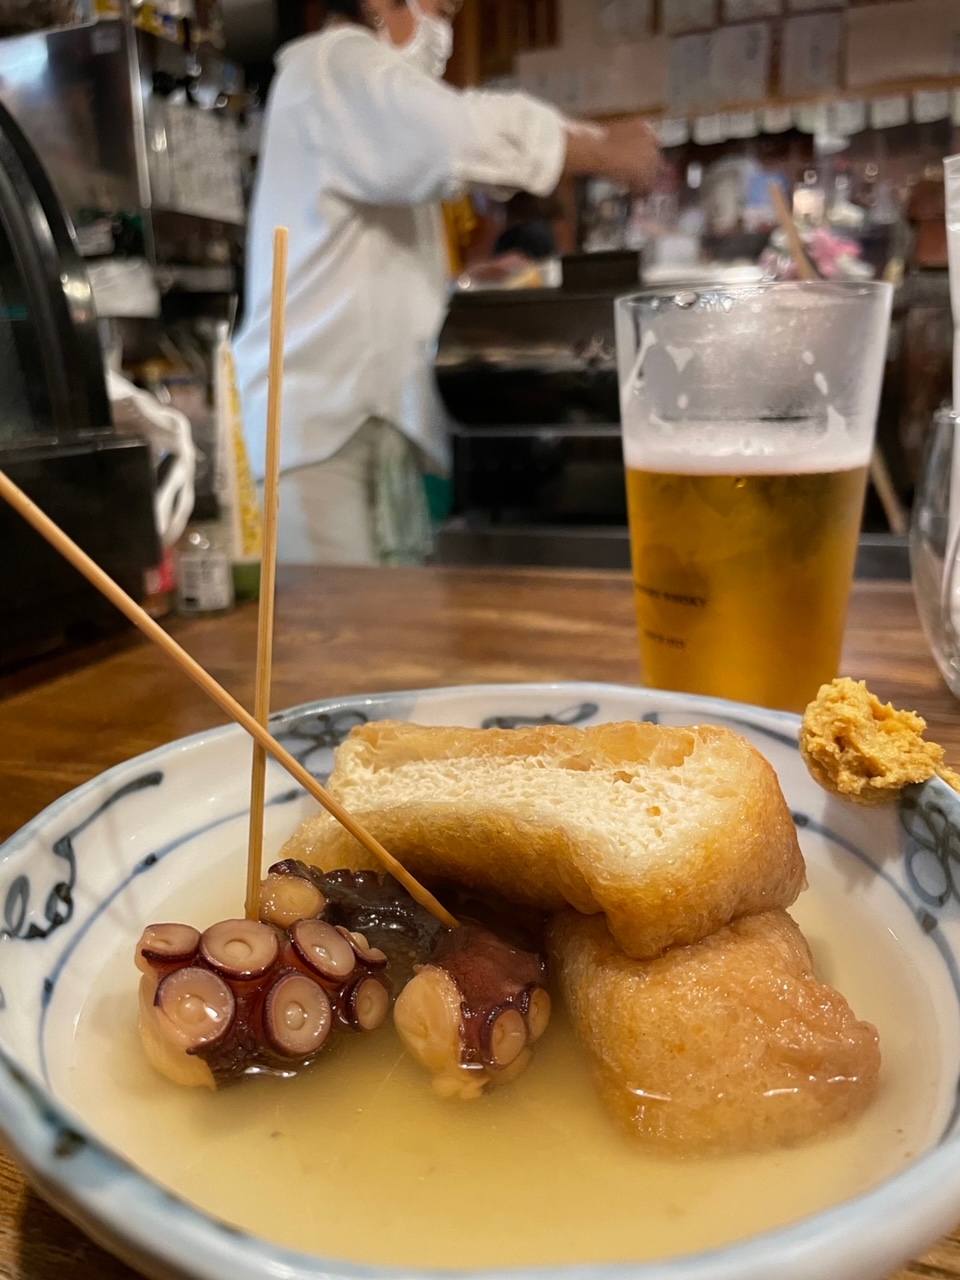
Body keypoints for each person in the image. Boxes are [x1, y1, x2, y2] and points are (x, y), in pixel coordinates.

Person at [235, 0, 660, 566]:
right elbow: (456, 133)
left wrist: (455, 282)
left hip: (360, 426)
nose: (444, 31)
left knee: (382, 641)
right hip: (320, 437)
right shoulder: (331, 63)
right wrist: (603, 148)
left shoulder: (349, 93)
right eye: (440, 9)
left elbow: (355, 255)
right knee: (337, 641)